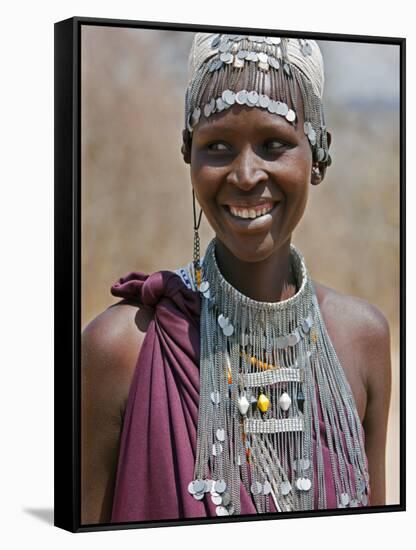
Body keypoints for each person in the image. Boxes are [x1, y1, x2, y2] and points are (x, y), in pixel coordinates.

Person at [81, 32, 391, 524]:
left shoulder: (362, 339)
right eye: (218, 146)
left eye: (274, 145)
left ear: (318, 155)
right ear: (189, 154)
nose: (246, 175)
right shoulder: (121, 348)